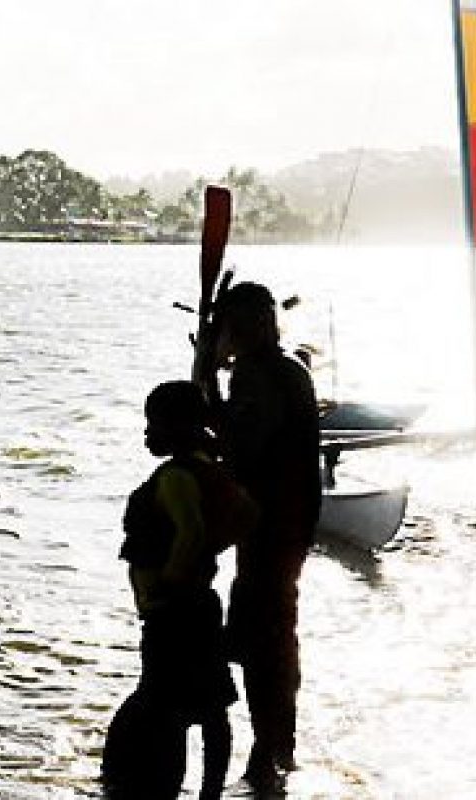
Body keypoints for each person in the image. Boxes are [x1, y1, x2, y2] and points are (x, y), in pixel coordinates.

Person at [102, 381, 256, 800]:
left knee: (163, 710)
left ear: (176, 426)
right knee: (209, 707)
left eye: (153, 424)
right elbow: (246, 514)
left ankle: (157, 788)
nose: (147, 433)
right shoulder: (210, 469)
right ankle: (209, 793)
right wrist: (206, 557)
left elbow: (191, 532)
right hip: (200, 605)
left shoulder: (175, 477)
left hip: (173, 612)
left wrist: (168, 583)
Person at [199, 281, 321, 787]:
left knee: (260, 644)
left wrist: (207, 377)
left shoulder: (257, 373)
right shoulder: (290, 367)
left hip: (271, 527)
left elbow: (241, 446)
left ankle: (267, 753)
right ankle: (277, 748)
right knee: (275, 637)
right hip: (290, 526)